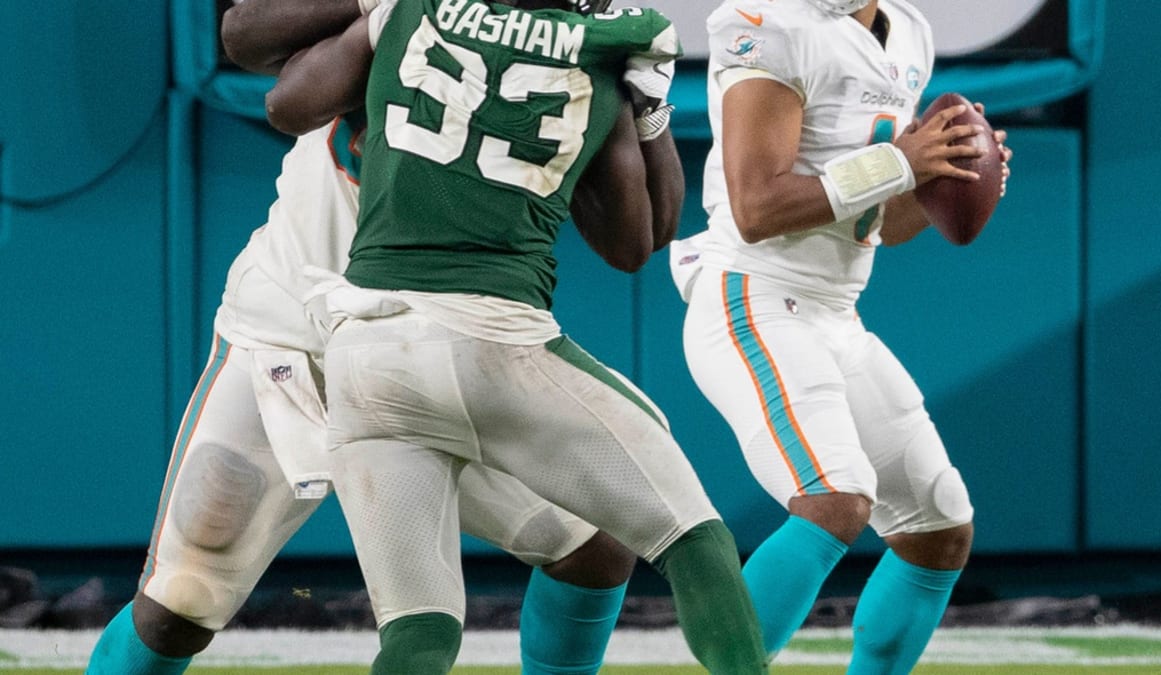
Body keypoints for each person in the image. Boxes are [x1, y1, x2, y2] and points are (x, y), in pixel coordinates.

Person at [83, 0, 695, 671]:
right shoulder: (417, 14)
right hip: (296, 340)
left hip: (439, 350)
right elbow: (253, 49)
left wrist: (649, 113)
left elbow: (638, 240)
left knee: (597, 539)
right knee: (181, 602)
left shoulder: (585, 44)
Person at [263, 0, 769, 672]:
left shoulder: (415, 8)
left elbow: (284, 102)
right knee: (693, 537)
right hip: (492, 338)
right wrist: (650, 114)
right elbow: (637, 241)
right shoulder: (604, 47)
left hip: (362, 349)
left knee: (419, 633)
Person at [674, 0, 1012, 671]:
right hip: (754, 294)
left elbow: (881, 220)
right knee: (835, 497)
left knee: (938, 526)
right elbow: (756, 207)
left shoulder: (907, 32)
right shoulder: (765, 22)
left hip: (836, 312)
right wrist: (899, 161)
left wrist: (947, 175)